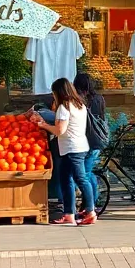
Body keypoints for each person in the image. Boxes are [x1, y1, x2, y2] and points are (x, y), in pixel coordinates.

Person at [31, 78, 97, 226]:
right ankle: (69, 214)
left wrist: (43, 125)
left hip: (72, 149)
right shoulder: (79, 105)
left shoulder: (64, 107)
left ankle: (90, 211)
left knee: (80, 179)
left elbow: (60, 130)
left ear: (58, 92)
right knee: (66, 180)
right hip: (77, 147)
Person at [73, 72, 108, 217]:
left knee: (84, 175)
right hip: (97, 141)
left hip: (85, 141)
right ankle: (92, 202)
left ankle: (90, 206)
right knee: (89, 173)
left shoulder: (80, 101)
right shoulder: (99, 99)